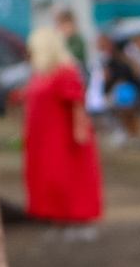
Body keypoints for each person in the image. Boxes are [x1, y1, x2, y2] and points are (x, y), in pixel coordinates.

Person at [21, 23, 102, 238]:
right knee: (49, 178)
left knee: (68, 177)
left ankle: (78, 220)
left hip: (63, 138)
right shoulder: (41, 73)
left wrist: (79, 130)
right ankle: (59, 219)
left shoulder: (65, 71)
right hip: (44, 138)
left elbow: (76, 103)